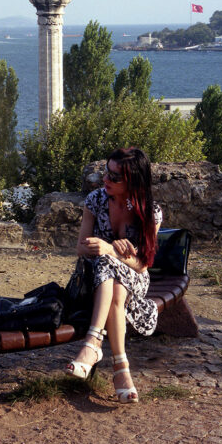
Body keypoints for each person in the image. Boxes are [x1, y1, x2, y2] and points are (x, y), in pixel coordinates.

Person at [65, 147, 162, 403]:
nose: (105, 180)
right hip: (94, 278)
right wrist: (103, 250)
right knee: (112, 280)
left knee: (112, 271)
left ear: (134, 180)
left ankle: (92, 345)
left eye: (115, 177)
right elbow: (80, 247)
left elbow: (143, 263)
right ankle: (121, 370)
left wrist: (112, 251)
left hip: (134, 277)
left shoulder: (150, 212)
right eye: (105, 172)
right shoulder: (96, 200)